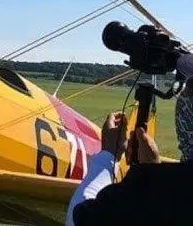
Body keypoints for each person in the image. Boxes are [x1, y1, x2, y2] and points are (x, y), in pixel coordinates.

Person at [66, 77, 193, 226]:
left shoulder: (171, 194)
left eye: (189, 89)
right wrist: (151, 171)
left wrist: (108, 155)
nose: (184, 92)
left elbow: (77, 219)